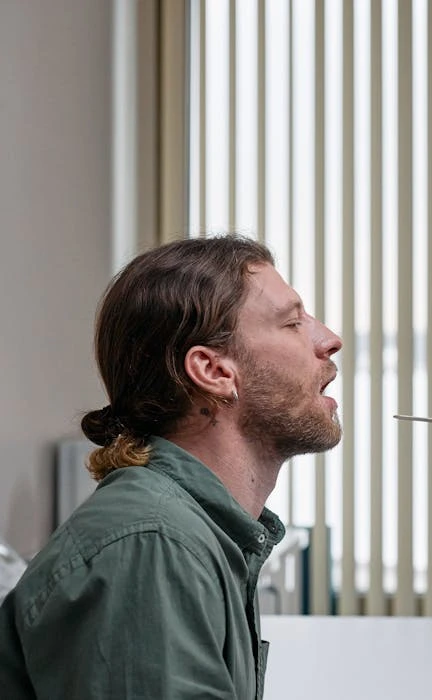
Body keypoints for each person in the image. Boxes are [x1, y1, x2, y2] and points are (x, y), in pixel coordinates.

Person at [0, 235, 343, 698]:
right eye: (292, 323)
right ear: (214, 371)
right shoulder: (151, 546)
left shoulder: (202, 533)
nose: (329, 340)